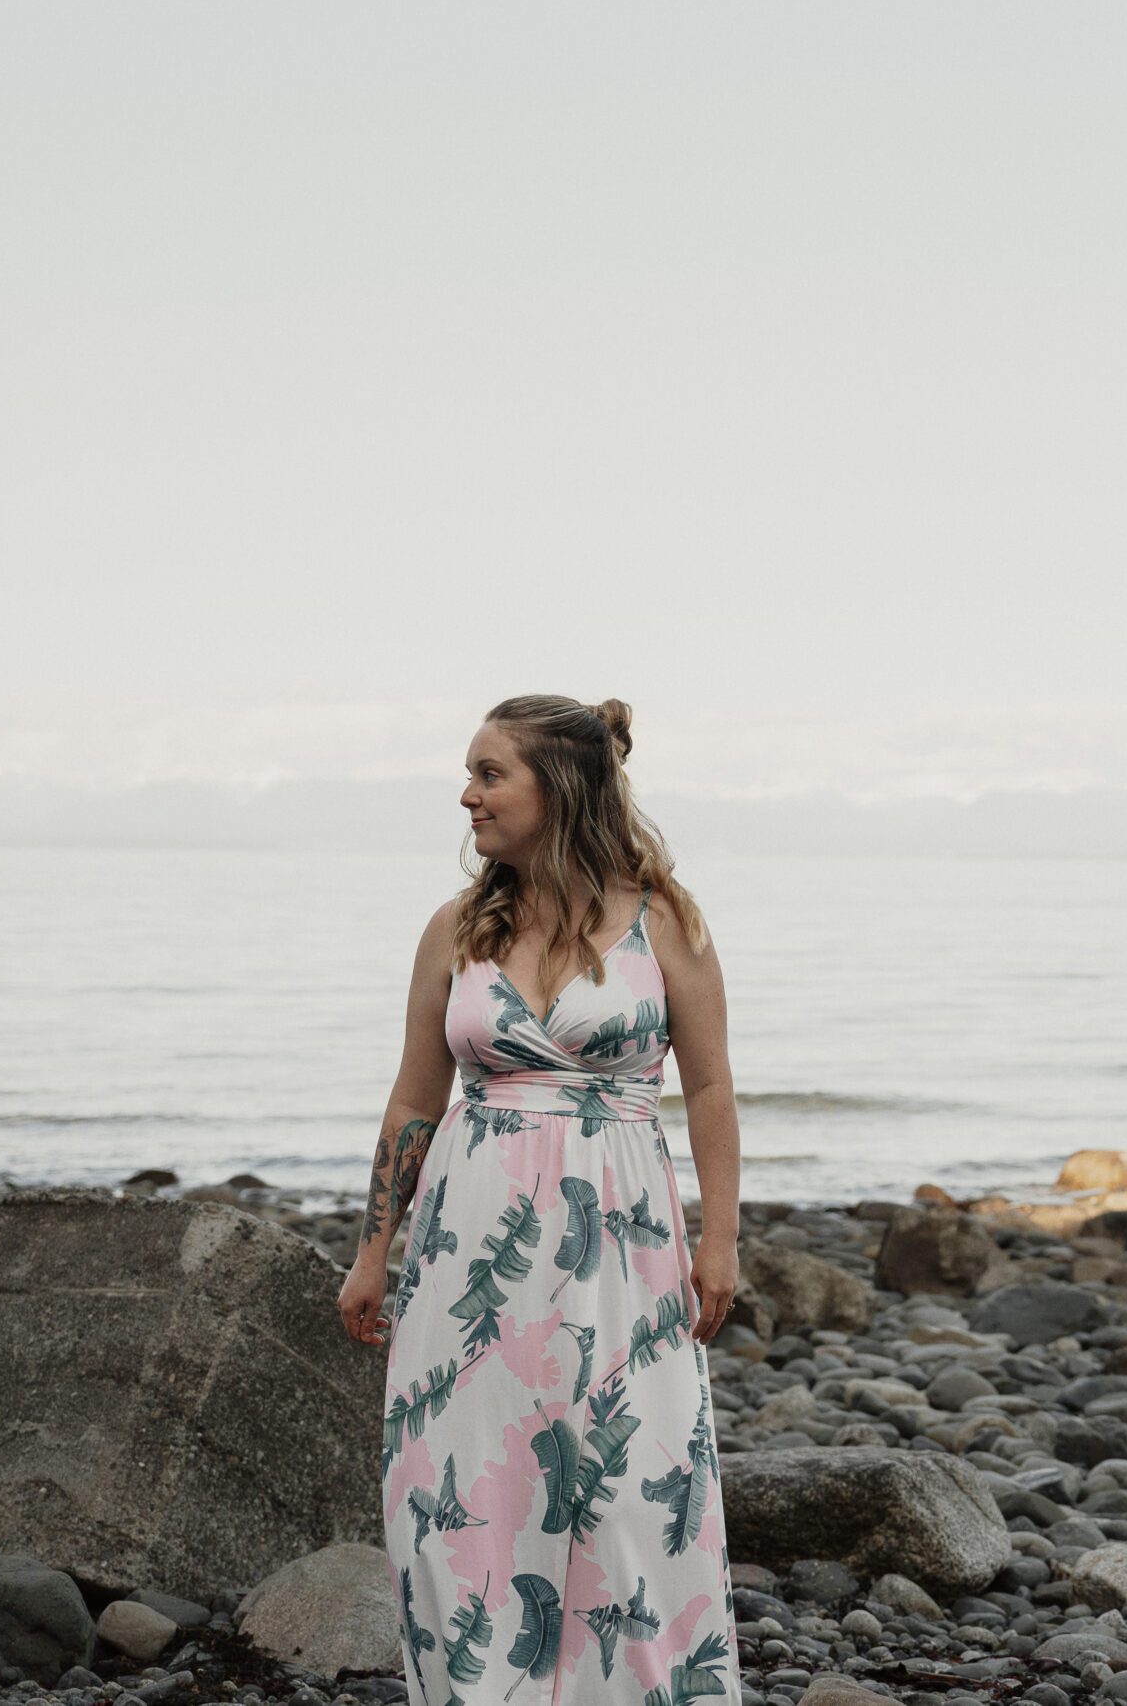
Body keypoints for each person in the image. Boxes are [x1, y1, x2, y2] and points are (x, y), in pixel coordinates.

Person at [337, 694, 744, 1706]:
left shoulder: (666, 924)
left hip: (622, 1239)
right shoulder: (459, 927)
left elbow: (711, 1088)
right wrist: (372, 1249)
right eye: (471, 774)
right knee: (462, 1477)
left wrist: (723, 1242)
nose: (466, 795)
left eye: (488, 774)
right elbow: (413, 1099)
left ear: (557, 789)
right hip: (469, 1238)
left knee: (626, 1478)